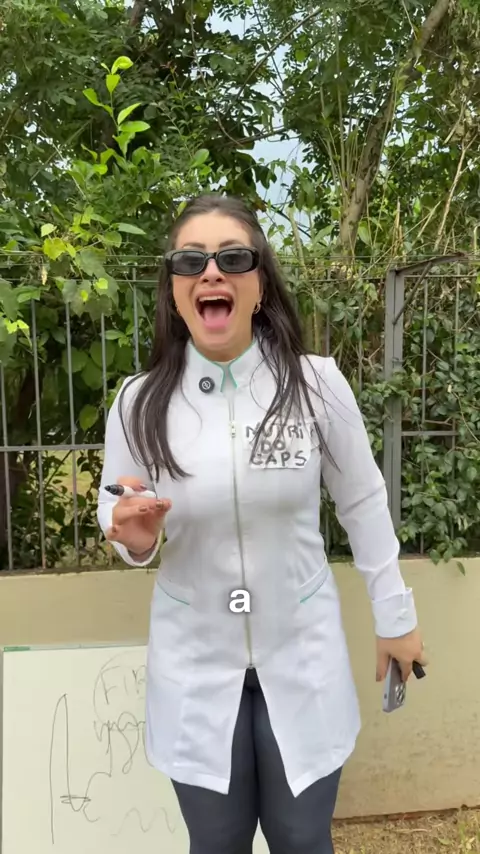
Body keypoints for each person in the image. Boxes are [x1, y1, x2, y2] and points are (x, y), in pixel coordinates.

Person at [97, 192, 426, 854]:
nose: (210, 272)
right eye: (190, 260)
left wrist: (396, 616)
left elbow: (363, 501)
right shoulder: (138, 402)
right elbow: (118, 505)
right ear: (174, 289)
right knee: (216, 842)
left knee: (302, 839)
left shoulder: (316, 385)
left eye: (232, 258)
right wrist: (132, 538)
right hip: (195, 663)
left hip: (301, 654)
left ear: (259, 283)